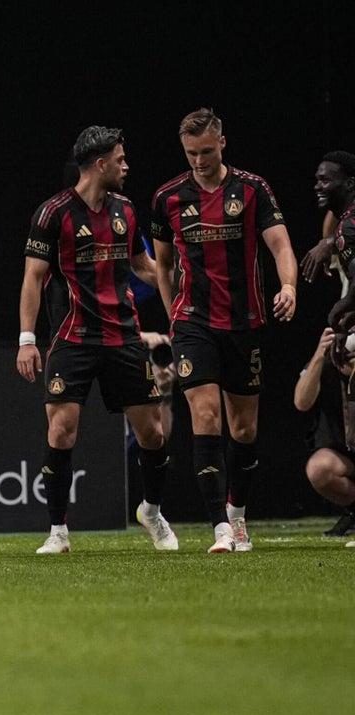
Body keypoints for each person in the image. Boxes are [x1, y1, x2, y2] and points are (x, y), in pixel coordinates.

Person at [18, 126, 177, 554]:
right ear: (100, 164)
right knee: (62, 430)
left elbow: (144, 266)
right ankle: (58, 532)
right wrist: (27, 339)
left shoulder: (126, 210)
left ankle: (152, 510)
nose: (126, 166)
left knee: (153, 434)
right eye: (120, 159)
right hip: (73, 338)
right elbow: (33, 280)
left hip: (123, 336)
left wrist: (179, 290)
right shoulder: (53, 214)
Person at [151, 108, 298, 553]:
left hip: (244, 322)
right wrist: (172, 315)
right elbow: (163, 265)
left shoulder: (253, 190)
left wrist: (288, 284)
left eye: (207, 151)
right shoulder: (168, 197)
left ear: (223, 143)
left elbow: (281, 244)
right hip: (193, 322)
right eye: (191, 153)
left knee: (244, 427)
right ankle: (218, 527)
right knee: (206, 414)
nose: (199, 160)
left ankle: (237, 514)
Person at [295, 327, 355, 541]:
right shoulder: (329, 365)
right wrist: (319, 355)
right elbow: (301, 402)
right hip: (346, 455)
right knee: (320, 467)